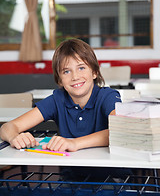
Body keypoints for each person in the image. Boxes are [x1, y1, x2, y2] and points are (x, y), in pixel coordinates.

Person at [0, 39, 131, 181]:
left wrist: (74, 143)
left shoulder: (107, 96)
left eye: (81, 68)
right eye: (66, 71)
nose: (75, 77)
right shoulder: (58, 100)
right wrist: (14, 137)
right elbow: (7, 127)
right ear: (60, 80)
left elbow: (121, 130)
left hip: (112, 176)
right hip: (71, 177)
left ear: (94, 72)